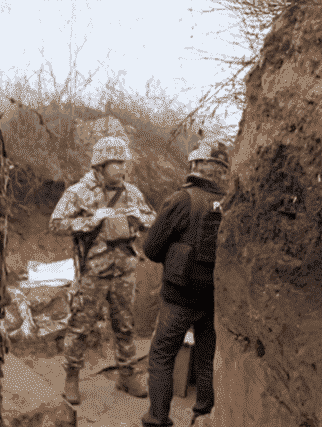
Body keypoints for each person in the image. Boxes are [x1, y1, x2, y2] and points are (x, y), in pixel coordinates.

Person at [50, 136, 156, 404]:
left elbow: (151, 218)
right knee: (80, 326)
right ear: (99, 166)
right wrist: (89, 221)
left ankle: (127, 374)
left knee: (125, 325)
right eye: (116, 163)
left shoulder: (131, 192)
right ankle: (72, 376)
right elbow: (56, 224)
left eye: (124, 162)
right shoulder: (79, 192)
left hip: (124, 269)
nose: (123, 168)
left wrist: (138, 218)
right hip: (93, 272)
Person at [141, 142, 230, 427]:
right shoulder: (232, 203)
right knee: (206, 359)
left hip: (179, 296)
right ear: (223, 170)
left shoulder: (183, 199)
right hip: (214, 298)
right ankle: (203, 415)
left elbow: (151, 249)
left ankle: (157, 419)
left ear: (194, 166)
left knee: (162, 356)